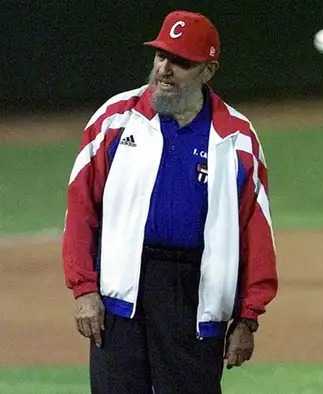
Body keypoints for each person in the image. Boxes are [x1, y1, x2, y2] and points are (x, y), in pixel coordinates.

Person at [62, 10, 278, 394]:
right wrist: (85, 290)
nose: (165, 68)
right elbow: (81, 209)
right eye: (161, 55)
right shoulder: (113, 121)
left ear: (207, 71)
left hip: (193, 296)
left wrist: (247, 318)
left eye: (181, 62)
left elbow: (256, 233)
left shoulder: (236, 139)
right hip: (119, 292)